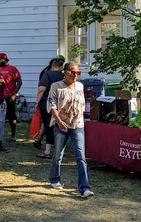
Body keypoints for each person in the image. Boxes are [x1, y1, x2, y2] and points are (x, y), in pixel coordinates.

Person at [47, 62, 94, 198]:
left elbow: (82, 104)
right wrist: (60, 121)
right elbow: (52, 105)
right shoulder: (56, 87)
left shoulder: (80, 86)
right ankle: (55, 178)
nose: (75, 75)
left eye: (77, 73)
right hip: (61, 124)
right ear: (65, 72)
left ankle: (84, 188)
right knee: (58, 154)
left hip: (77, 125)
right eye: (72, 72)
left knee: (81, 157)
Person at [34, 57, 65, 159]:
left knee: (48, 127)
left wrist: (37, 102)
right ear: (61, 67)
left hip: (48, 103)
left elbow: (41, 90)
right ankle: (58, 150)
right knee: (60, 126)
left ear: (52, 65)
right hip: (62, 104)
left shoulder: (47, 75)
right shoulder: (65, 76)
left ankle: (47, 151)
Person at [0, 53, 22, 142]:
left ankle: (13, 135)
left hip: (9, 96)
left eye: (0, 60)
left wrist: (14, 94)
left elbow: (19, 81)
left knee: (11, 117)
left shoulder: (12, 69)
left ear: (5, 60)